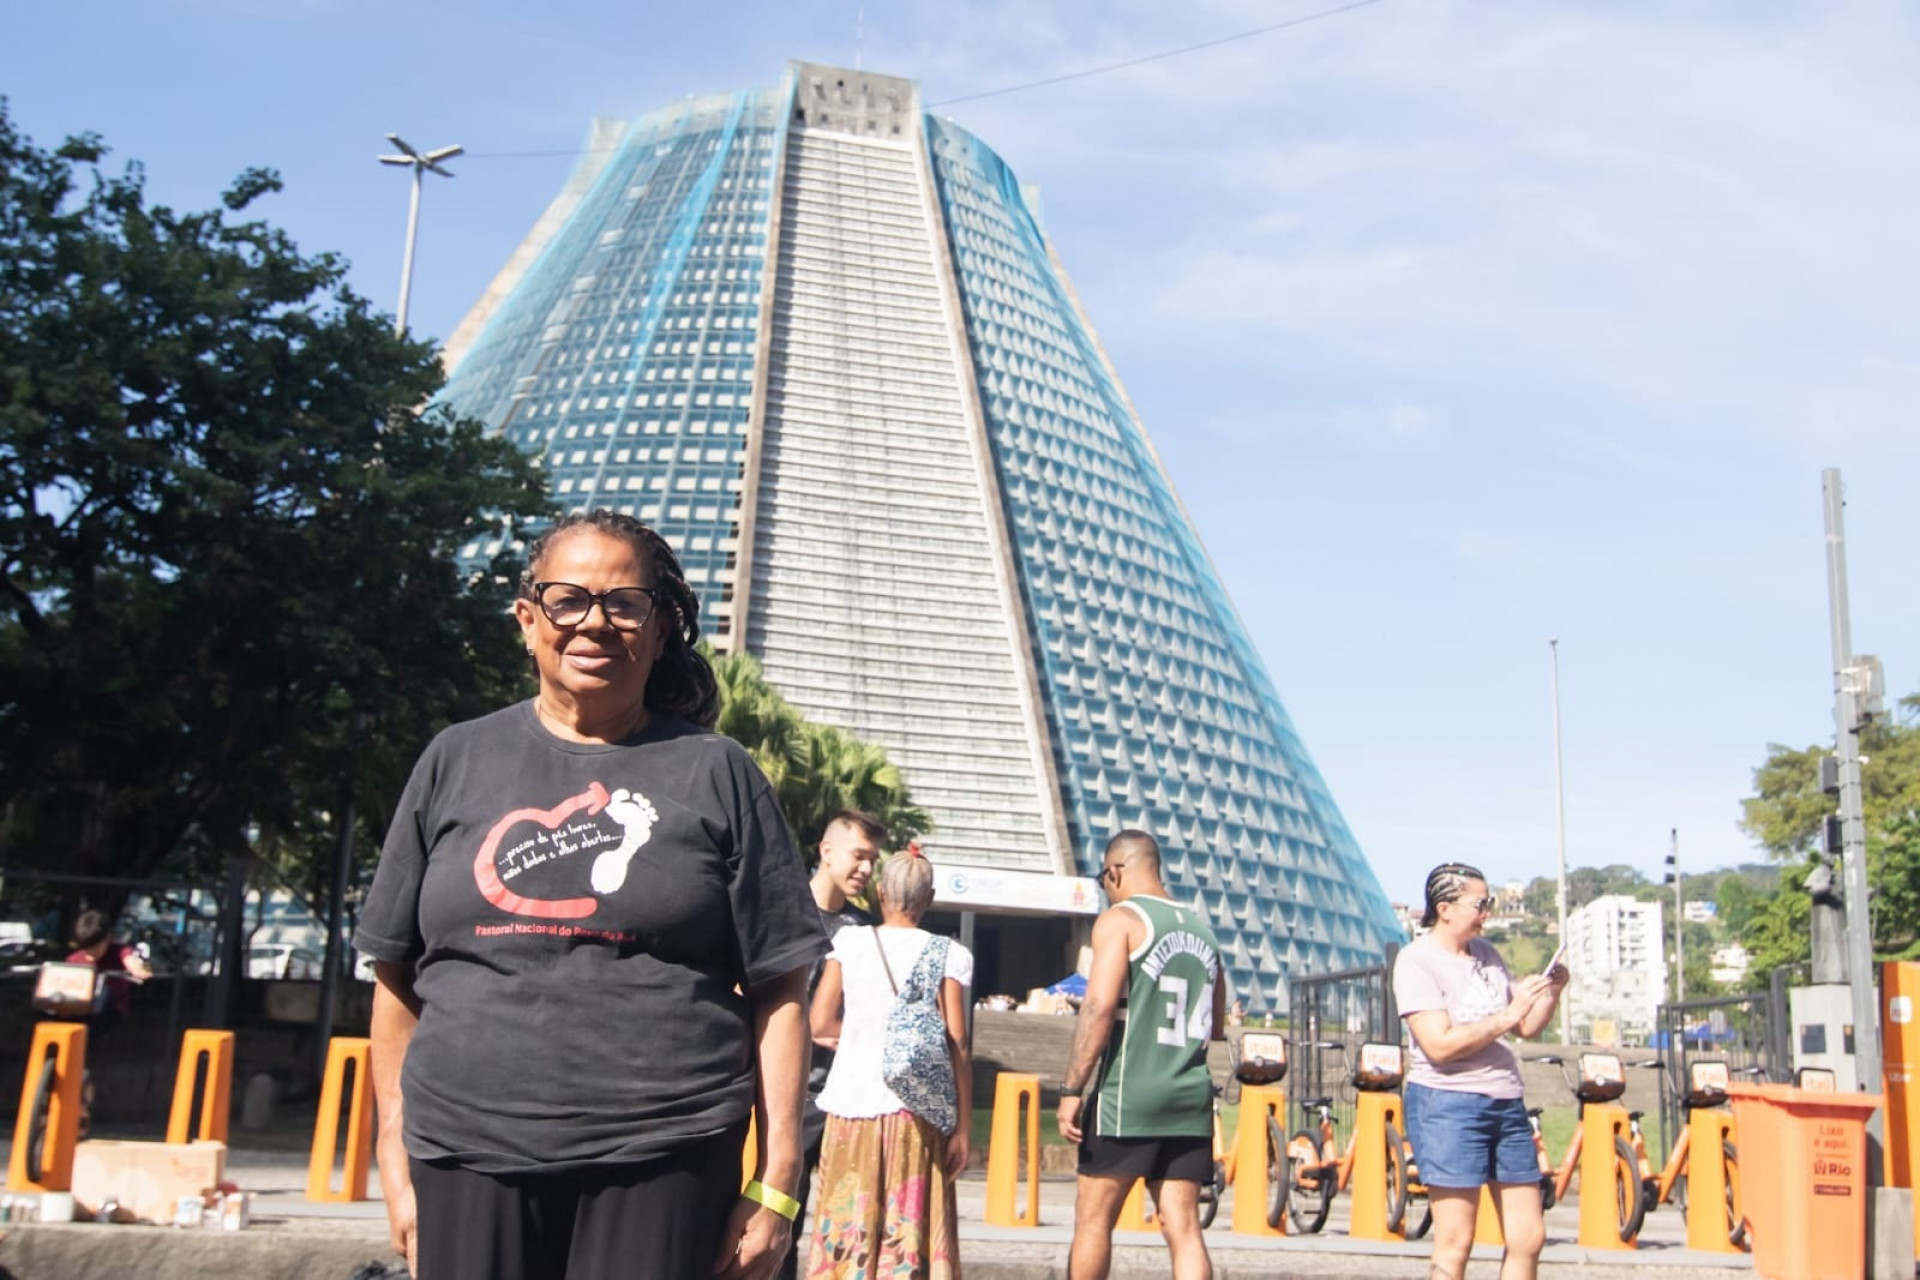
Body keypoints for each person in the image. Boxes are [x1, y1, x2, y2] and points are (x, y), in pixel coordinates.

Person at [355, 509, 825, 1280]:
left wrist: (776, 1183)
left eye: (624, 603)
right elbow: (396, 973)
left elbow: (781, 990)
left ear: (662, 626)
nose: (594, 623)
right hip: (464, 1150)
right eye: (568, 599)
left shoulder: (718, 773)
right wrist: (392, 1147)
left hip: (666, 1154)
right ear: (527, 618)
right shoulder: (455, 760)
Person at [1056, 831, 1224, 1280]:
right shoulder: (1203, 931)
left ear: (1115, 871)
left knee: (1094, 1219)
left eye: (1102, 879)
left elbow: (1098, 1008)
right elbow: (1216, 1025)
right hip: (1189, 1096)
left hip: (1129, 1093)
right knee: (1183, 1225)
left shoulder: (1122, 920)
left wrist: (1072, 1089)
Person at [1394, 862, 1568, 1280]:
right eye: (1480, 904)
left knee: (1529, 1237)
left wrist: (1551, 993)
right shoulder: (1416, 961)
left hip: (1505, 1101)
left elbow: (1525, 1026)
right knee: (1456, 1241)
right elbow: (1439, 1045)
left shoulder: (1487, 955)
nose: (1487, 912)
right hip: (1447, 1104)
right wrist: (1508, 1014)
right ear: (1445, 908)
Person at [806, 851, 971, 1279]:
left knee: (847, 1229)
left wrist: (859, 1038)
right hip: (917, 1112)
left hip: (850, 1107)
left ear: (881, 893)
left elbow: (819, 1022)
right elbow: (956, 1040)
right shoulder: (947, 953)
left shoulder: (850, 943)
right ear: (929, 898)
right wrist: (962, 1127)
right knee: (906, 1232)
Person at [778, 810, 883, 1280]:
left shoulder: (866, 930)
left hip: (843, 1099)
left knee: (845, 1230)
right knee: (776, 1218)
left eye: (872, 859)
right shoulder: (784, 912)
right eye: (858, 855)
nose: (866, 868)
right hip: (782, 1095)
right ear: (826, 851)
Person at [67, 908, 152, 1029]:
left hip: (112, 1013)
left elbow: (135, 964)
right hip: (80, 1010)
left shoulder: (120, 952)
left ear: (107, 939)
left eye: (95, 948)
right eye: (86, 948)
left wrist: (138, 970)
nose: (90, 953)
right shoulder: (74, 960)